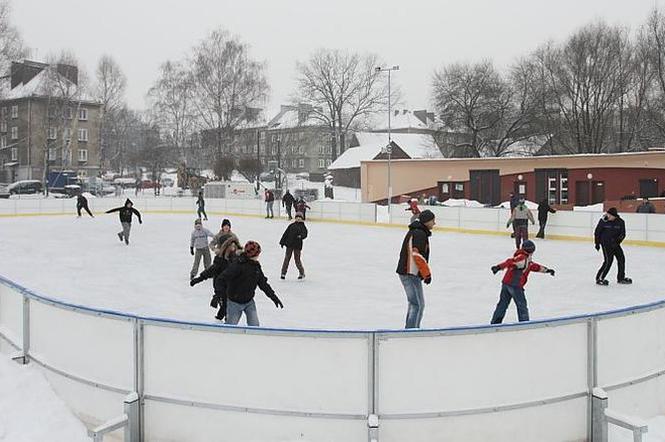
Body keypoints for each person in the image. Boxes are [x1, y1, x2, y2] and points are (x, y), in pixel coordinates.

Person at [489, 240, 555, 324]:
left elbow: (533, 266)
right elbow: (510, 262)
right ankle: (524, 323)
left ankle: (495, 323)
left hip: (506, 283)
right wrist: (498, 267)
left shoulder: (525, 258)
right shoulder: (522, 258)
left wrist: (547, 270)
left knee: (503, 304)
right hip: (515, 285)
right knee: (522, 306)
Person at [219, 241, 284, 326]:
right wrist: (218, 294)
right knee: (230, 328)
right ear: (253, 255)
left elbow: (263, 284)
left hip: (249, 302)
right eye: (257, 254)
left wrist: (274, 297)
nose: (258, 256)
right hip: (234, 303)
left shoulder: (256, 267)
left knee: (255, 326)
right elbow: (221, 279)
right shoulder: (237, 265)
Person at [396, 209, 435, 329]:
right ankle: (411, 332)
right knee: (416, 304)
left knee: (419, 304)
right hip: (408, 273)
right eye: (433, 220)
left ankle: (413, 329)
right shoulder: (419, 234)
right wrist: (426, 273)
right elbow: (417, 255)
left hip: (413, 273)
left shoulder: (419, 232)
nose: (434, 223)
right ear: (427, 221)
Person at [190, 236, 242, 321]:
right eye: (231, 246)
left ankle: (222, 319)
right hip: (221, 287)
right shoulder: (220, 259)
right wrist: (198, 279)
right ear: (225, 246)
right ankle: (220, 320)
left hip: (232, 287)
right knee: (225, 305)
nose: (233, 248)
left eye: (234, 245)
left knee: (228, 306)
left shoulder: (238, 258)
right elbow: (210, 271)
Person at [594, 207, 632, 286]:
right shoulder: (603, 221)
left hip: (615, 244)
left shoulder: (620, 222)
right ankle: (600, 278)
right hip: (606, 244)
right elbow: (597, 232)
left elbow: (622, 234)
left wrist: (617, 241)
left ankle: (621, 278)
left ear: (614, 216)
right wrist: (597, 243)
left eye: (610, 215)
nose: (608, 216)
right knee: (608, 261)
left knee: (621, 259)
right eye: (607, 214)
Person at [279, 212, 308, 280]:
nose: (298, 219)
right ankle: (283, 273)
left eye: (299, 217)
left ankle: (302, 273)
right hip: (289, 245)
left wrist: (301, 236)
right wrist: (282, 242)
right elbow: (285, 234)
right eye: (297, 217)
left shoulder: (303, 226)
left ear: (302, 218)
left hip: (297, 246)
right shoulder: (291, 225)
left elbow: (305, 234)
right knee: (287, 259)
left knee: (297, 260)